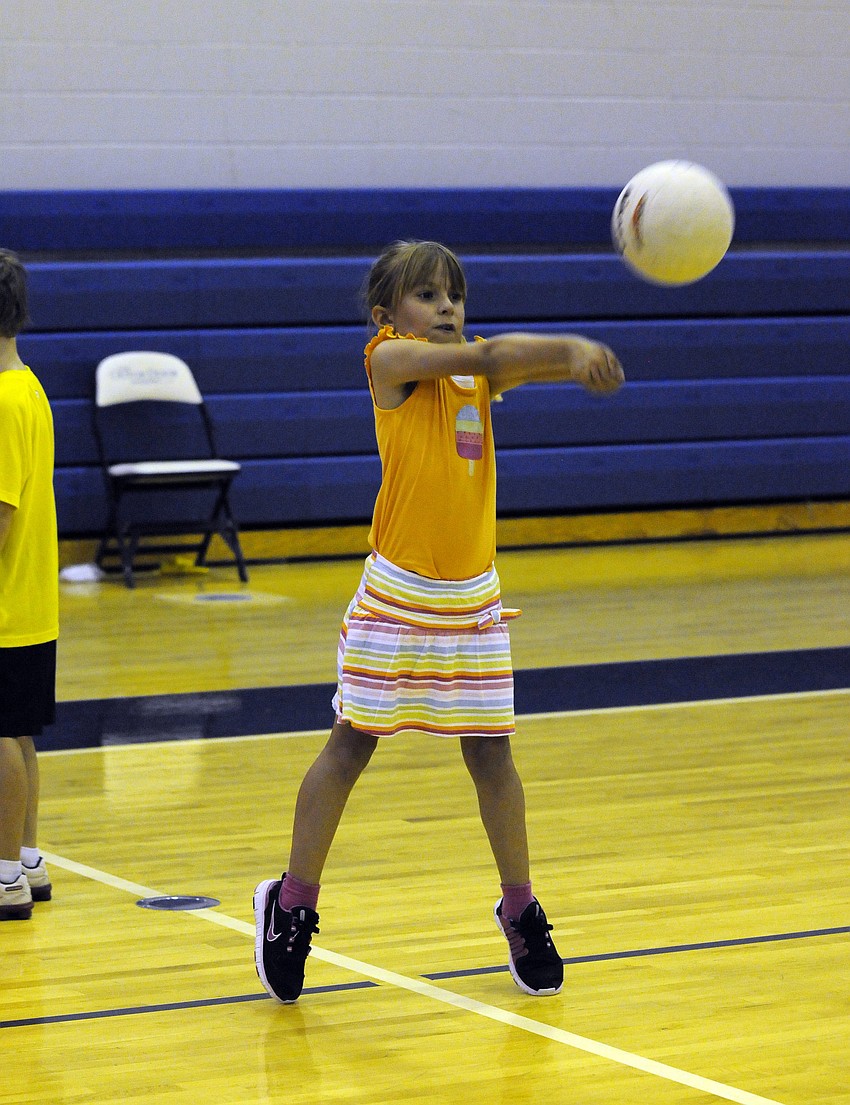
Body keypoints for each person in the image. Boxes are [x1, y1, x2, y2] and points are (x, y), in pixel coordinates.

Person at [254, 240, 624, 1001]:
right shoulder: (388, 361)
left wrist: (574, 364)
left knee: (493, 756)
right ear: (389, 316)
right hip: (398, 596)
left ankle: (521, 908)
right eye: (428, 295)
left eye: (455, 295)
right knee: (351, 745)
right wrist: (571, 346)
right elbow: (506, 356)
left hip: (471, 599)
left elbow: (503, 359)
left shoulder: (475, 368)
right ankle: (291, 903)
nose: (448, 307)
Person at [0, 249, 57, 921]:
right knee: (18, 734)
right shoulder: (29, 385)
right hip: (32, 599)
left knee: (1, 735)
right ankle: (29, 858)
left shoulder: (3, 398)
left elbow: (2, 517)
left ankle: (6, 871)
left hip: (7, 603)